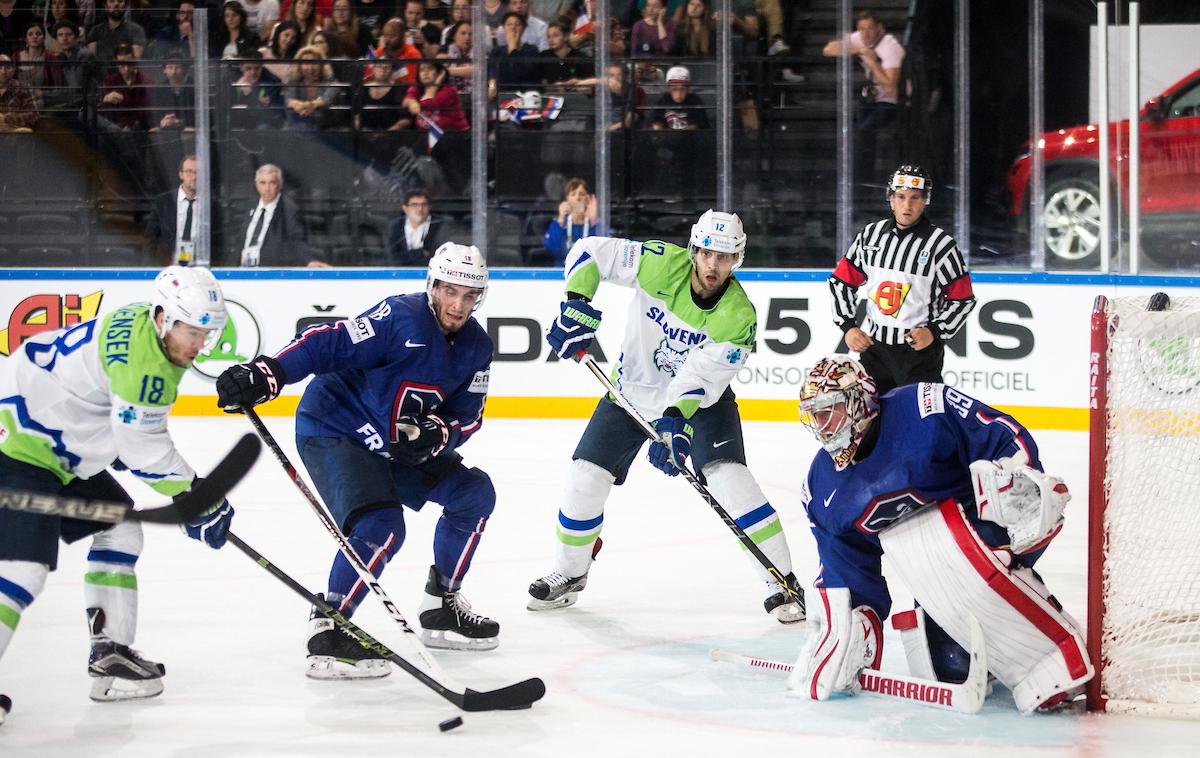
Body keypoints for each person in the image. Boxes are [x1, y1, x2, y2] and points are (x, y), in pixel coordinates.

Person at [214, 243, 501, 676]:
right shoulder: (399, 317)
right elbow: (327, 343)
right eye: (449, 291)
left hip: (394, 444)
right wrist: (268, 373)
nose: (457, 305)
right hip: (335, 429)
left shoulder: (477, 346)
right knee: (380, 526)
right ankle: (328, 629)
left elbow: (468, 416)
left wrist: (435, 433)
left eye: (468, 295)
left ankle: (442, 606)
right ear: (432, 286)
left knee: (473, 494)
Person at [527, 210, 803, 624]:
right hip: (629, 393)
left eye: (725, 257)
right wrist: (576, 305)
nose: (713, 265)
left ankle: (781, 583)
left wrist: (676, 423)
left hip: (700, 404)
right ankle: (570, 573)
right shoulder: (658, 262)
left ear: (738, 260)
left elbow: (700, 378)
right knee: (584, 477)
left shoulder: (738, 316)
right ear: (694, 249)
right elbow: (589, 252)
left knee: (731, 480)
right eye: (707, 253)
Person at [786, 355, 1092, 713]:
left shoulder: (923, 407)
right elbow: (846, 567)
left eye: (829, 411)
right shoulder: (820, 485)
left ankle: (1052, 660)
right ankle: (988, 653)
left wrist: (1016, 477)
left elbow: (997, 435)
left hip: (990, 531)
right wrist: (853, 625)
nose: (822, 426)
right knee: (945, 670)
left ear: (860, 401)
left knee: (957, 548)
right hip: (934, 573)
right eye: (814, 415)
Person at [0, 266, 237, 713]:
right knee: (22, 570)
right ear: (165, 317)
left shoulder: (140, 321)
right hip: (21, 446)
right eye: (192, 332)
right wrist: (197, 496)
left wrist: (115, 445)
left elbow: (105, 407)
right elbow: (144, 449)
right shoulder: (148, 367)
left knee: (119, 529)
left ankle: (110, 655)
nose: (199, 344)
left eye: (207, 334)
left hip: (47, 434)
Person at [828, 164, 975, 397]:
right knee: (871, 423)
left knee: (919, 423)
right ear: (891, 199)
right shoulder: (870, 236)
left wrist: (934, 331)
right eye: (901, 197)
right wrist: (848, 326)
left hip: (919, 355)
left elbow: (963, 299)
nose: (907, 205)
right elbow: (841, 282)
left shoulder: (941, 245)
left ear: (925, 200)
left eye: (915, 197)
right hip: (874, 351)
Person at [822, 9, 905, 182]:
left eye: (870, 29)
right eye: (862, 29)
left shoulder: (890, 46)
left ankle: (862, 179)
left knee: (864, 130)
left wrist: (872, 63)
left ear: (879, 28)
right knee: (857, 131)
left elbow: (890, 87)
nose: (865, 34)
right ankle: (860, 177)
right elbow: (828, 49)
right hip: (872, 96)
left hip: (894, 100)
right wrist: (859, 49)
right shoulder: (860, 39)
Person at [236, 163, 318, 267]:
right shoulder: (250, 206)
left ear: (279, 185)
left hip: (268, 272)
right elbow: (240, 241)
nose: (267, 188)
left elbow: (297, 240)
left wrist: (308, 261)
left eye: (272, 183)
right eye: (263, 183)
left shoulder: (289, 210)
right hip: (241, 271)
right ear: (256, 185)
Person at [144, 154, 199, 263]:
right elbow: (150, 238)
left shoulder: (212, 204)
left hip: (200, 269)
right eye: (189, 172)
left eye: (197, 172)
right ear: (181, 175)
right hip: (169, 268)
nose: (194, 177)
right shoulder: (163, 202)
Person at [385, 189, 455, 266]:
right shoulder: (396, 226)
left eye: (424, 205)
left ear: (429, 207)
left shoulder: (440, 224)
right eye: (414, 205)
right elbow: (392, 258)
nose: (420, 209)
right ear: (405, 208)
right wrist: (421, 253)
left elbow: (440, 256)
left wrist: (407, 256)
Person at [284, 44, 344, 129]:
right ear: (299, 66)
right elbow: (289, 101)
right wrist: (301, 106)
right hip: (297, 129)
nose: (310, 68)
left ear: (322, 65)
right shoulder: (294, 82)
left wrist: (309, 106)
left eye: (315, 63)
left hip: (325, 130)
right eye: (306, 63)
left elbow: (327, 100)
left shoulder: (332, 83)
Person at [543, 177, 599, 267]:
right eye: (573, 194)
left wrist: (594, 221)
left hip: (588, 272)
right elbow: (552, 249)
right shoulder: (560, 223)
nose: (578, 198)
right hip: (561, 272)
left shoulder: (594, 224)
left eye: (582, 194)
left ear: (588, 199)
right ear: (567, 199)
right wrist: (560, 220)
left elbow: (603, 250)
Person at [98, 43, 151, 131]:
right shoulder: (110, 81)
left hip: (139, 129)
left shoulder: (147, 81)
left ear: (134, 59)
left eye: (129, 64)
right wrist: (106, 99)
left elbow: (148, 113)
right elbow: (104, 111)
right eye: (122, 64)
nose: (126, 69)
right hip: (115, 127)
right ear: (115, 61)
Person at [229, 50, 285, 130]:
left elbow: (267, 114)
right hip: (237, 121)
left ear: (262, 66)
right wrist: (258, 100)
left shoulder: (272, 82)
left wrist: (250, 93)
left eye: (257, 68)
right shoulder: (231, 79)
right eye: (248, 68)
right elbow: (226, 108)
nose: (253, 72)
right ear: (241, 67)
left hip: (261, 124)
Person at [648, 64, 707, 130]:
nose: (679, 94)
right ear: (668, 88)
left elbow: (699, 125)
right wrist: (658, 127)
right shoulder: (662, 101)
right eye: (675, 89)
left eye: (682, 89)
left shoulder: (695, 101)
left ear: (688, 89)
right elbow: (656, 123)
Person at [150, 58, 193, 130]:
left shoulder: (193, 86)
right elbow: (155, 114)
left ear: (184, 69)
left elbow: (201, 117)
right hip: (167, 127)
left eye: (177, 68)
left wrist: (180, 122)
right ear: (164, 70)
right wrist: (162, 121)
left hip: (188, 127)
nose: (173, 72)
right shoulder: (160, 88)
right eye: (170, 67)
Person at [0, 53, 37, 131]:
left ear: (13, 70)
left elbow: (33, 115)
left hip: (14, 131)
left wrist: (6, 119)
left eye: (7, 67)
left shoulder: (23, 88)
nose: (3, 71)